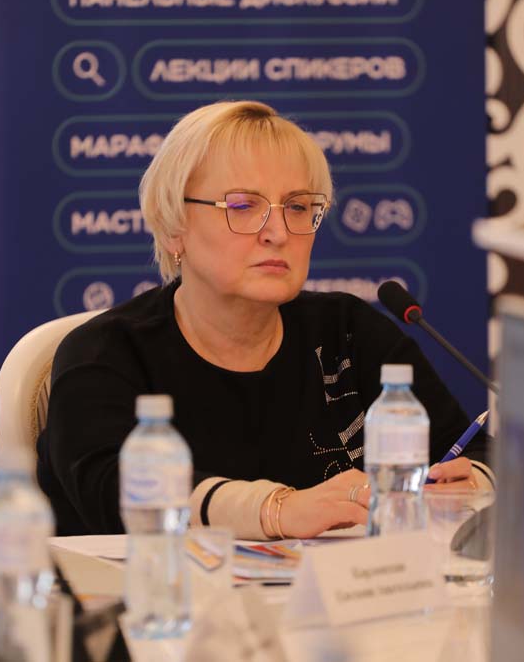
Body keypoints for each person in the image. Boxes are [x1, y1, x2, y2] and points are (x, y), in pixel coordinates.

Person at [36, 100, 493, 539]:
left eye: (297, 207)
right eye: (242, 206)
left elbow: (473, 448)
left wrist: (468, 483)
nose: (277, 233)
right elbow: (116, 495)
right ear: (174, 227)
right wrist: (276, 510)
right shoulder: (106, 352)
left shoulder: (347, 333)